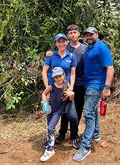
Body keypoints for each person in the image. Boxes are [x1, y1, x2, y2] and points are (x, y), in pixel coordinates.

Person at [73, 27, 114, 162]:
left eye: (91, 34)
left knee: (89, 113)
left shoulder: (102, 48)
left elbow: (110, 68)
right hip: (88, 84)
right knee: (93, 111)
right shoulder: (89, 48)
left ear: (97, 35)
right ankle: (96, 134)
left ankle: (85, 146)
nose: (89, 37)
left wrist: (107, 87)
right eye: (87, 35)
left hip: (96, 85)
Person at [42, 34, 78, 150]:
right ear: (56, 43)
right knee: (52, 114)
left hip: (66, 90)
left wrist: (71, 88)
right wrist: (48, 89)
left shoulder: (71, 56)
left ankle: (75, 138)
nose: (61, 44)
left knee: (72, 116)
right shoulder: (51, 55)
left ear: (67, 42)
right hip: (53, 91)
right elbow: (44, 72)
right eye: (59, 42)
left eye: (63, 41)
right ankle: (51, 139)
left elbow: (73, 74)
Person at [40, 67, 77, 162]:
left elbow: (71, 98)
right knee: (50, 127)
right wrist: (45, 103)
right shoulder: (52, 86)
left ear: (64, 75)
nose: (59, 79)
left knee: (50, 128)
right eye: (56, 77)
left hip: (58, 111)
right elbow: (44, 94)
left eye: (60, 76)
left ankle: (50, 149)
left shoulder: (66, 85)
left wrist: (72, 93)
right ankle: (50, 141)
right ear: (53, 78)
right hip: (50, 110)